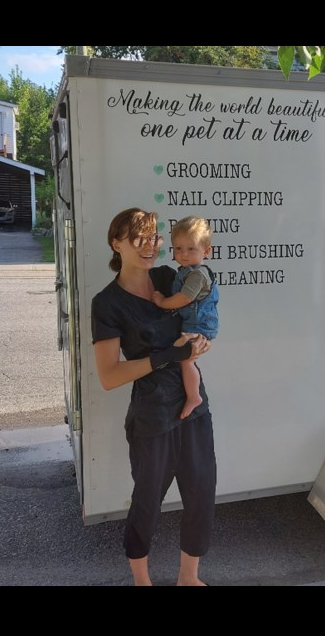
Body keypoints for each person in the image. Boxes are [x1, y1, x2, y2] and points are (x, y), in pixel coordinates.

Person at [90, 207, 216, 586]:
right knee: (147, 504)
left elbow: (201, 306)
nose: (151, 246)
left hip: (194, 407)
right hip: (153, 416)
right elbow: (110, 376)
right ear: (117, 244)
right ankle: (141, 581)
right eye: (139, 238)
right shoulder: (107, 303)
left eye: (154, 237)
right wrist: (164, 357)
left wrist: (202, 339)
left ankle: (188, 578)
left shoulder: (169, 276)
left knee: (201, 495)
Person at [152, 216, 219, 420]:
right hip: (194, 322)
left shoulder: (198, 275)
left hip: (200, 325)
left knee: (185, 357)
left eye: (191, 249)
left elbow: (184, 298)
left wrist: (162, 302)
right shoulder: (185, 271)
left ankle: (193, 396)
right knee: (183, 356)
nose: (183, 254)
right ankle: (191, 393)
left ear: (206, 251)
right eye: (178, 249)